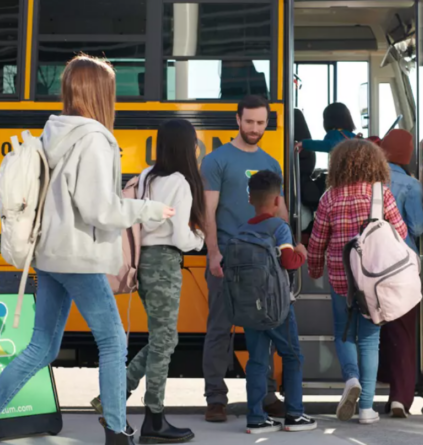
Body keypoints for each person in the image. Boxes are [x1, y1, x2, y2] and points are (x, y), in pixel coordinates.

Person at [0, 54, 174, 445]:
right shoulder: (96, 140)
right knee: (113, 342)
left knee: (41, 347)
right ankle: (117, 433)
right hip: (78, 257)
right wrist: (148, 209)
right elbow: (99, 209)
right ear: (102, 93)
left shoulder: (54, 132)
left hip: (49, 255)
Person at [89, 119, 205, 442]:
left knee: (163, 338)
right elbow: (181, 235)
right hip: (166, 262)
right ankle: (154, 419)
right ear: (186, 147)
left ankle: (116, 394)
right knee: (165, 339)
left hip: (143, 262)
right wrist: (199, 241)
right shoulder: (180, 182)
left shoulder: (144, 177)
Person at [307, 139, 408, 425]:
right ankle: (366, 409)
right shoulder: (381, 194)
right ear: (374, 163)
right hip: (374, 281)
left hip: (341, 278)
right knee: (369, 340)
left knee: (343, 332)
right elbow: (400, 231)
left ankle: (351, 378)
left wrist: (314, 269)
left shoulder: (330, 196)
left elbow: (317, 241)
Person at [200, 95, 287, 422]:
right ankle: (215, 399)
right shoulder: (216, 160)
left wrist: (287, 245)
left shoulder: (272, 163)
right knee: (220, 327)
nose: (254, 128)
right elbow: (207, 211)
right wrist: (213, 253)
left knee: (261, 327)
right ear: (237, 120)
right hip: (226, 253)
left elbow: (279, 210)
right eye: (249, 121)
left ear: (267, 122)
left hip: (263, 258)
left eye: (260, 122)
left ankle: (266, 394)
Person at [241, 170, 317, 435]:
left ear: (250, 198)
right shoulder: (279, 227)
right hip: (277, 305)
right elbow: (288, 262)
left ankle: (256, 418)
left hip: (250, 306)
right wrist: (302, 253)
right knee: (292, 355)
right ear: (277, 201)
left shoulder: (243, 228)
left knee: (257, 360)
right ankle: (294, 415)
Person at [376, 129, 423, 418]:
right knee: (403, 333)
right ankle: (399, 399)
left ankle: (367, 390)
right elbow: (417, 229)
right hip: (401, 266)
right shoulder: (411, 185)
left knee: (372, 332)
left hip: (370, 266)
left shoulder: (368, 182)